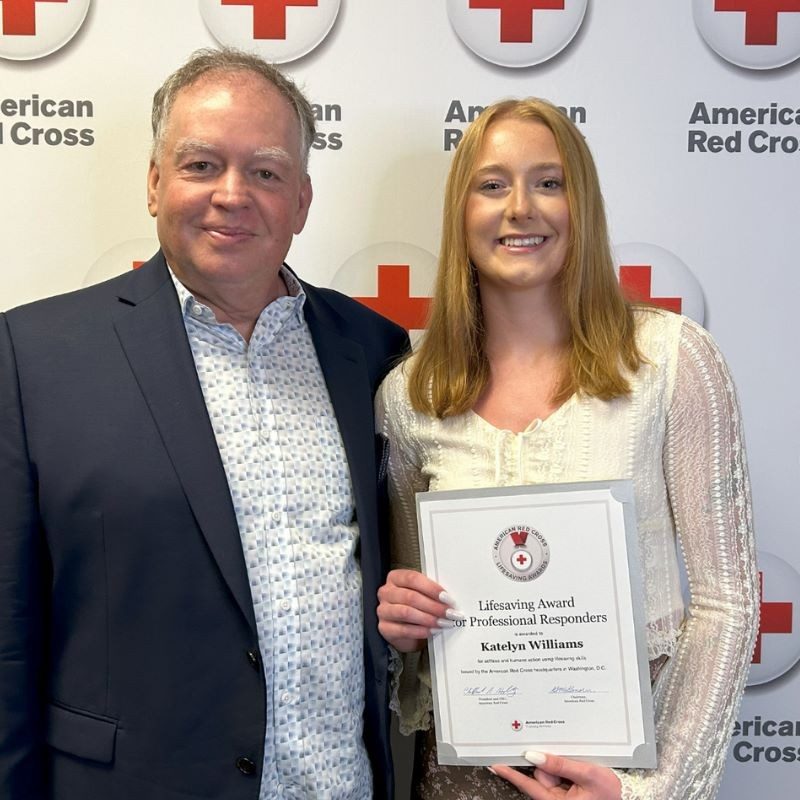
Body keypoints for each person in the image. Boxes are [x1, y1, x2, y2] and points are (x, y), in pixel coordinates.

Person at [0, 48, 408, 800]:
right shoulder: (32, 359)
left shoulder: (375, 351)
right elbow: (8, 640)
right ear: (154, 184)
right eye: (200, 165)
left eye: (265, 171)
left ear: (303, 200)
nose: (232, 195)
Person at [375, 98, 758, 800]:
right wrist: (402, 622)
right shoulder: (410, 395)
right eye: (492, 185)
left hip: (625, 780)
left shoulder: (670, 362)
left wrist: (655, 791)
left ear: (584, 206)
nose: (520, 207)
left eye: (549, 183)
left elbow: (725, 602)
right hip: (463, 780)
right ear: (461, 212)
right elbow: (416, 603)